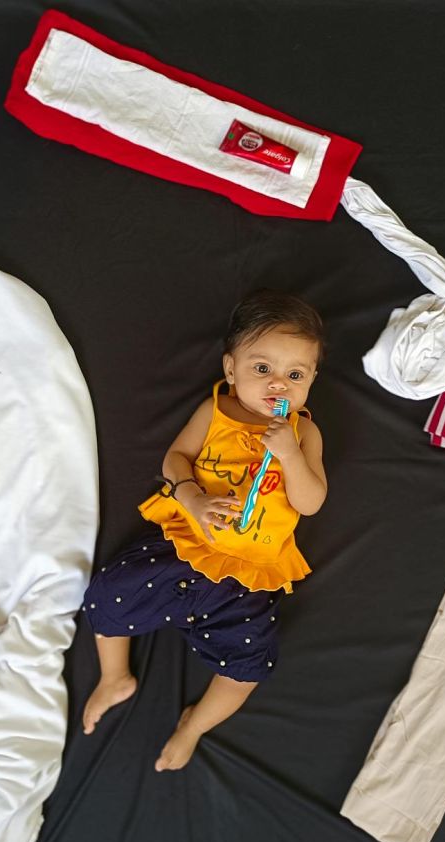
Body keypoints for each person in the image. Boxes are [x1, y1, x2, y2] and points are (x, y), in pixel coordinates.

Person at [80, 289, 328, 771]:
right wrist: (192, 498)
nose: (279, 384)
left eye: (295, 375)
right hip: (187, 548)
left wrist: (291, 456)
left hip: (247, 580)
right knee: (106, 594)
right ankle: (115, 677)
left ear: (311, 380)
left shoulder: (304, 434)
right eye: (262, 368)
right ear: (231, 370)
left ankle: (194, 725)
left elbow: (311, 502)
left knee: (249, 669)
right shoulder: (215, 412)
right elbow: (175, 458)